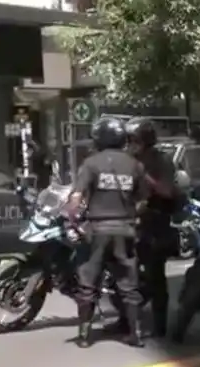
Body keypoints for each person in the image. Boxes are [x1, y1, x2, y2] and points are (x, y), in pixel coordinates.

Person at [66, 116, 149, 348]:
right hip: (125, 230)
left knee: (87, 284)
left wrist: (73, 219)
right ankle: (136, 334)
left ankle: (83, 336)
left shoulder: (91, 164)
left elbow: (76, 198)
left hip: (97, 230)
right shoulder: (135, 165)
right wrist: (131, 216)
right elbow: (143, 201)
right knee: (129, 285)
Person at [126, 118, 178, 339]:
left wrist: (143, 174)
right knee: (126, 277)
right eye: (129, 140)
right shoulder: (129, 159)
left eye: (134, 139)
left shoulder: (161, 161)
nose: (130, 144)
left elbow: (166, 191)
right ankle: (126, 321)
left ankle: (159, 326)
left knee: (154, 277)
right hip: (128, 222)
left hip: (154, 224)